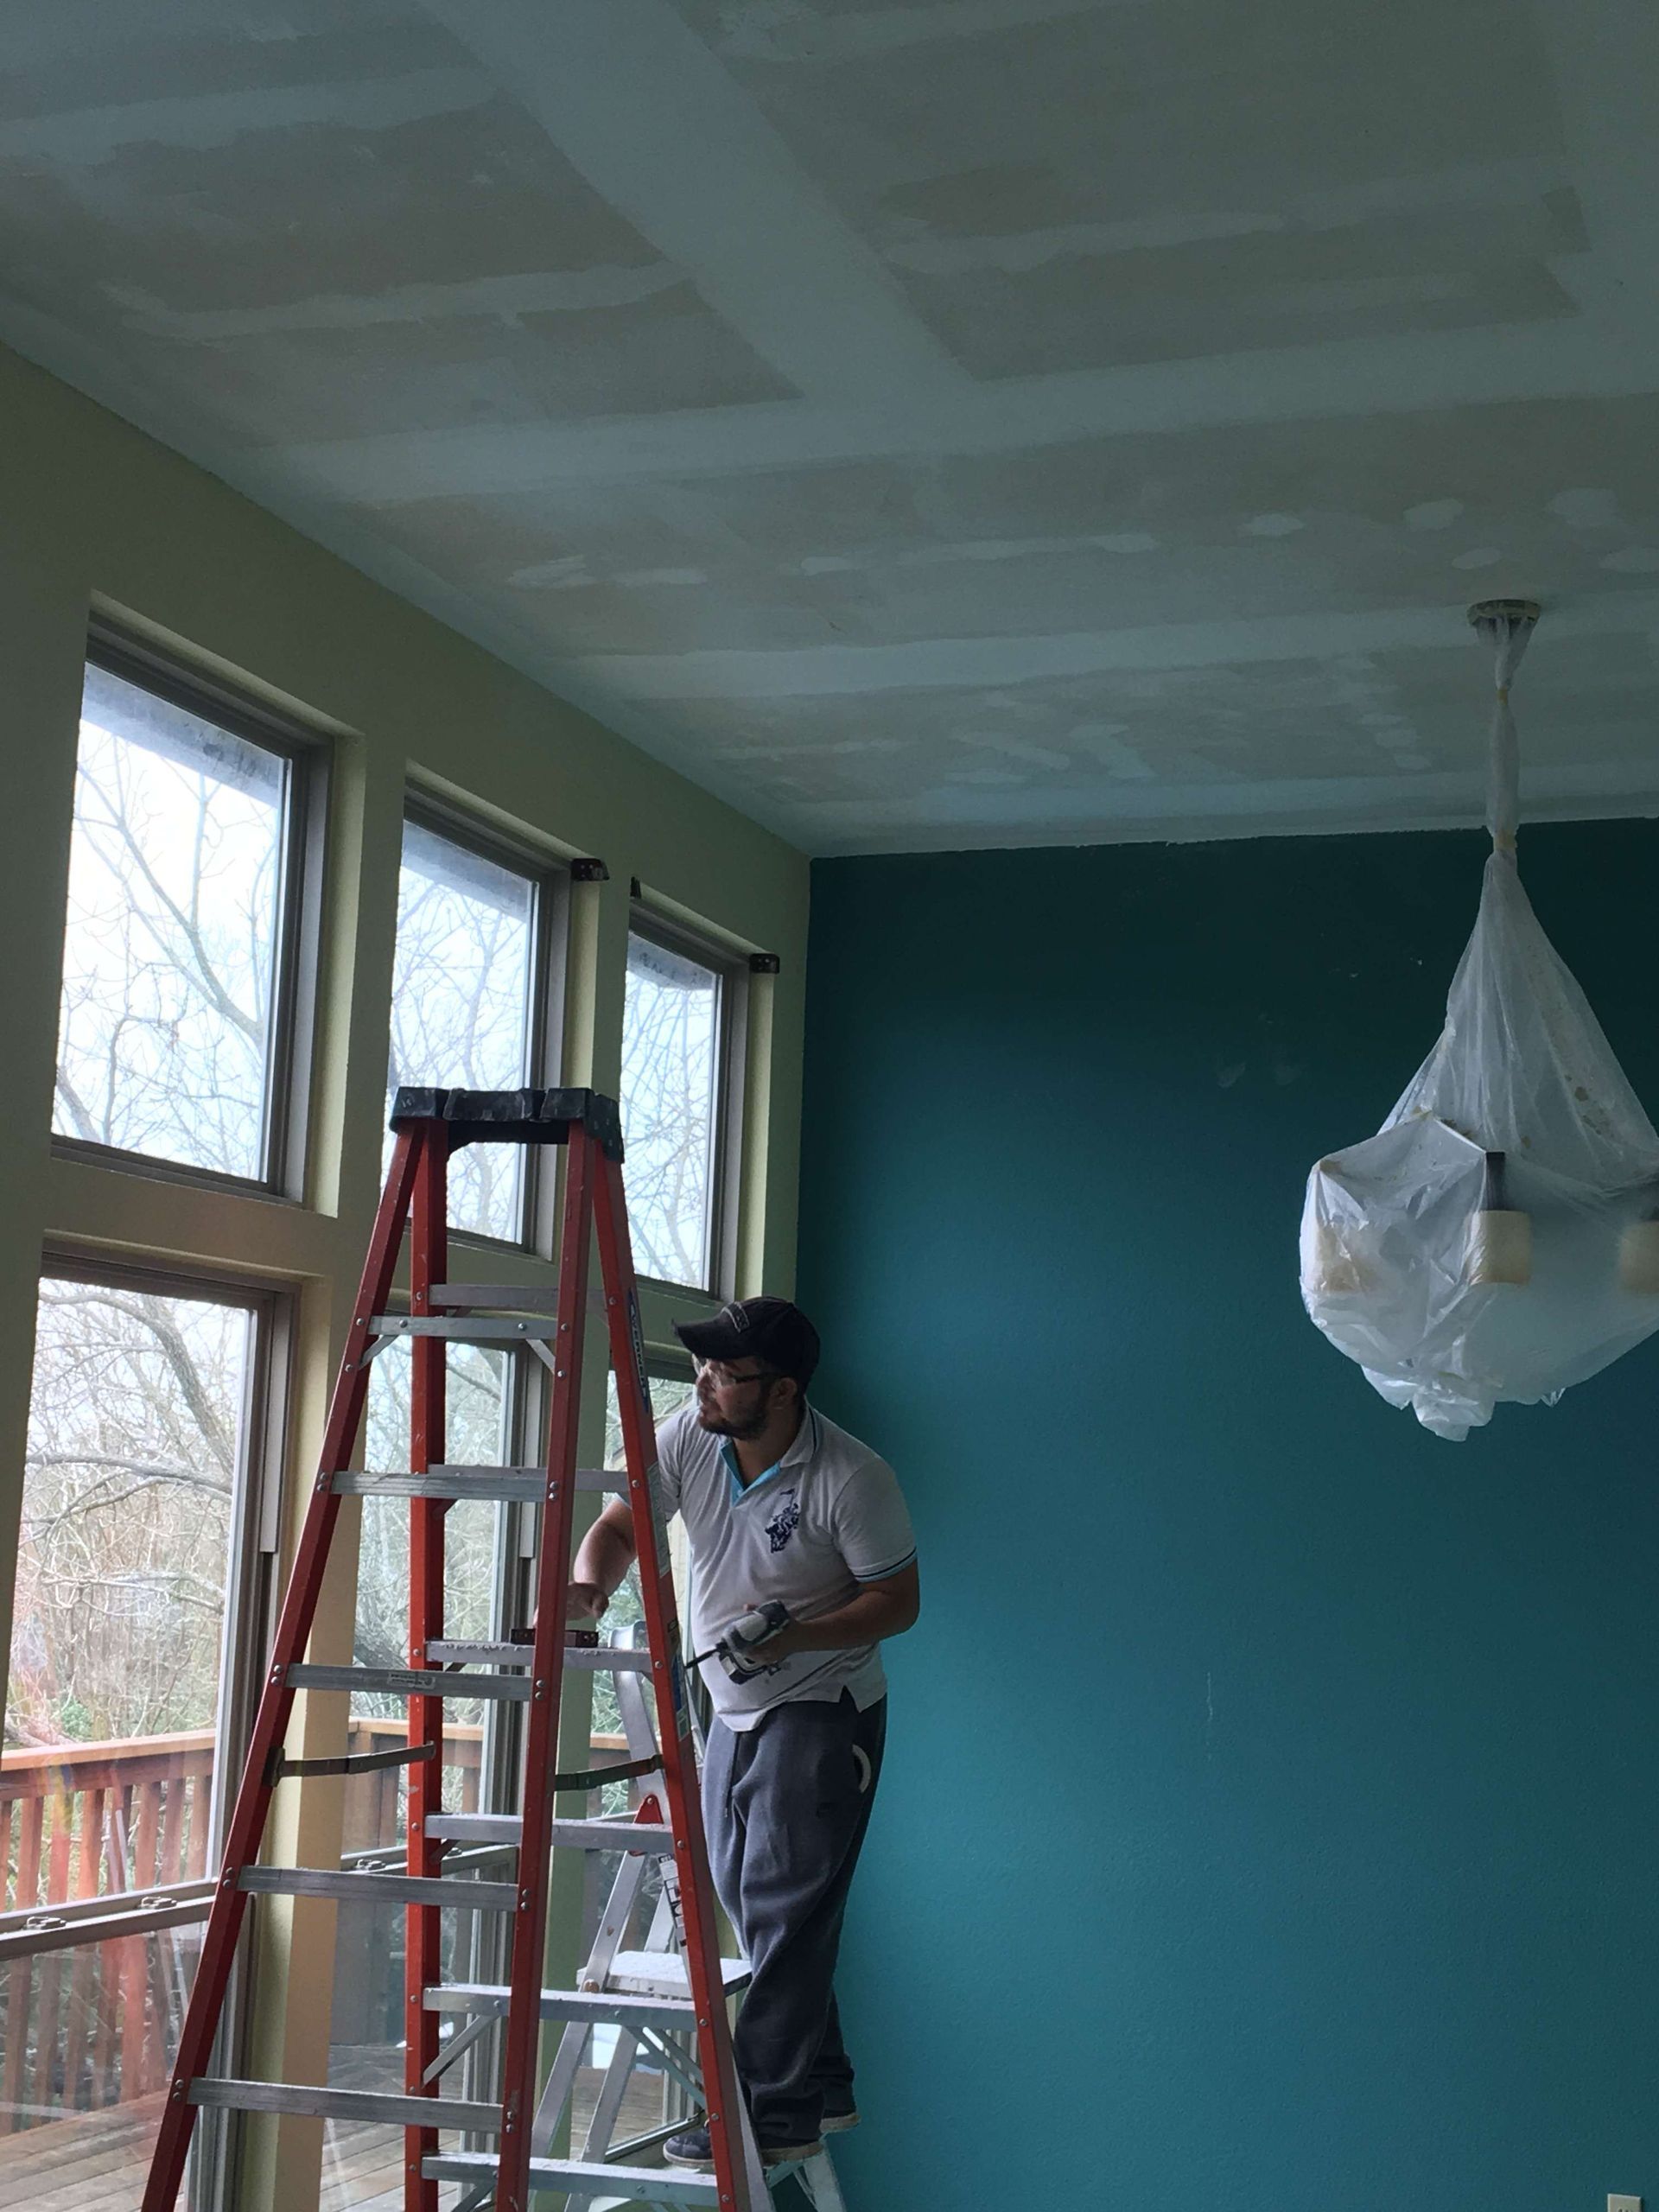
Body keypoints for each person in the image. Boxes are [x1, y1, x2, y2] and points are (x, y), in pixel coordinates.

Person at [568, 1295, 920, 2168]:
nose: (705, 1385)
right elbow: (621, 1525)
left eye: (727, 1375)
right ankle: (822, 2080)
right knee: (749, 1897)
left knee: (781, 1905)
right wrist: (589, 1588)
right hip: (730, 1704)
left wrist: (796, 1634)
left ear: (784, 1389)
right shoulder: (692, 1436)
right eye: (703, 1368)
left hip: (822, 1705)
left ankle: (770, 2114)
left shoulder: (851, 1477)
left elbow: (896, 1603)